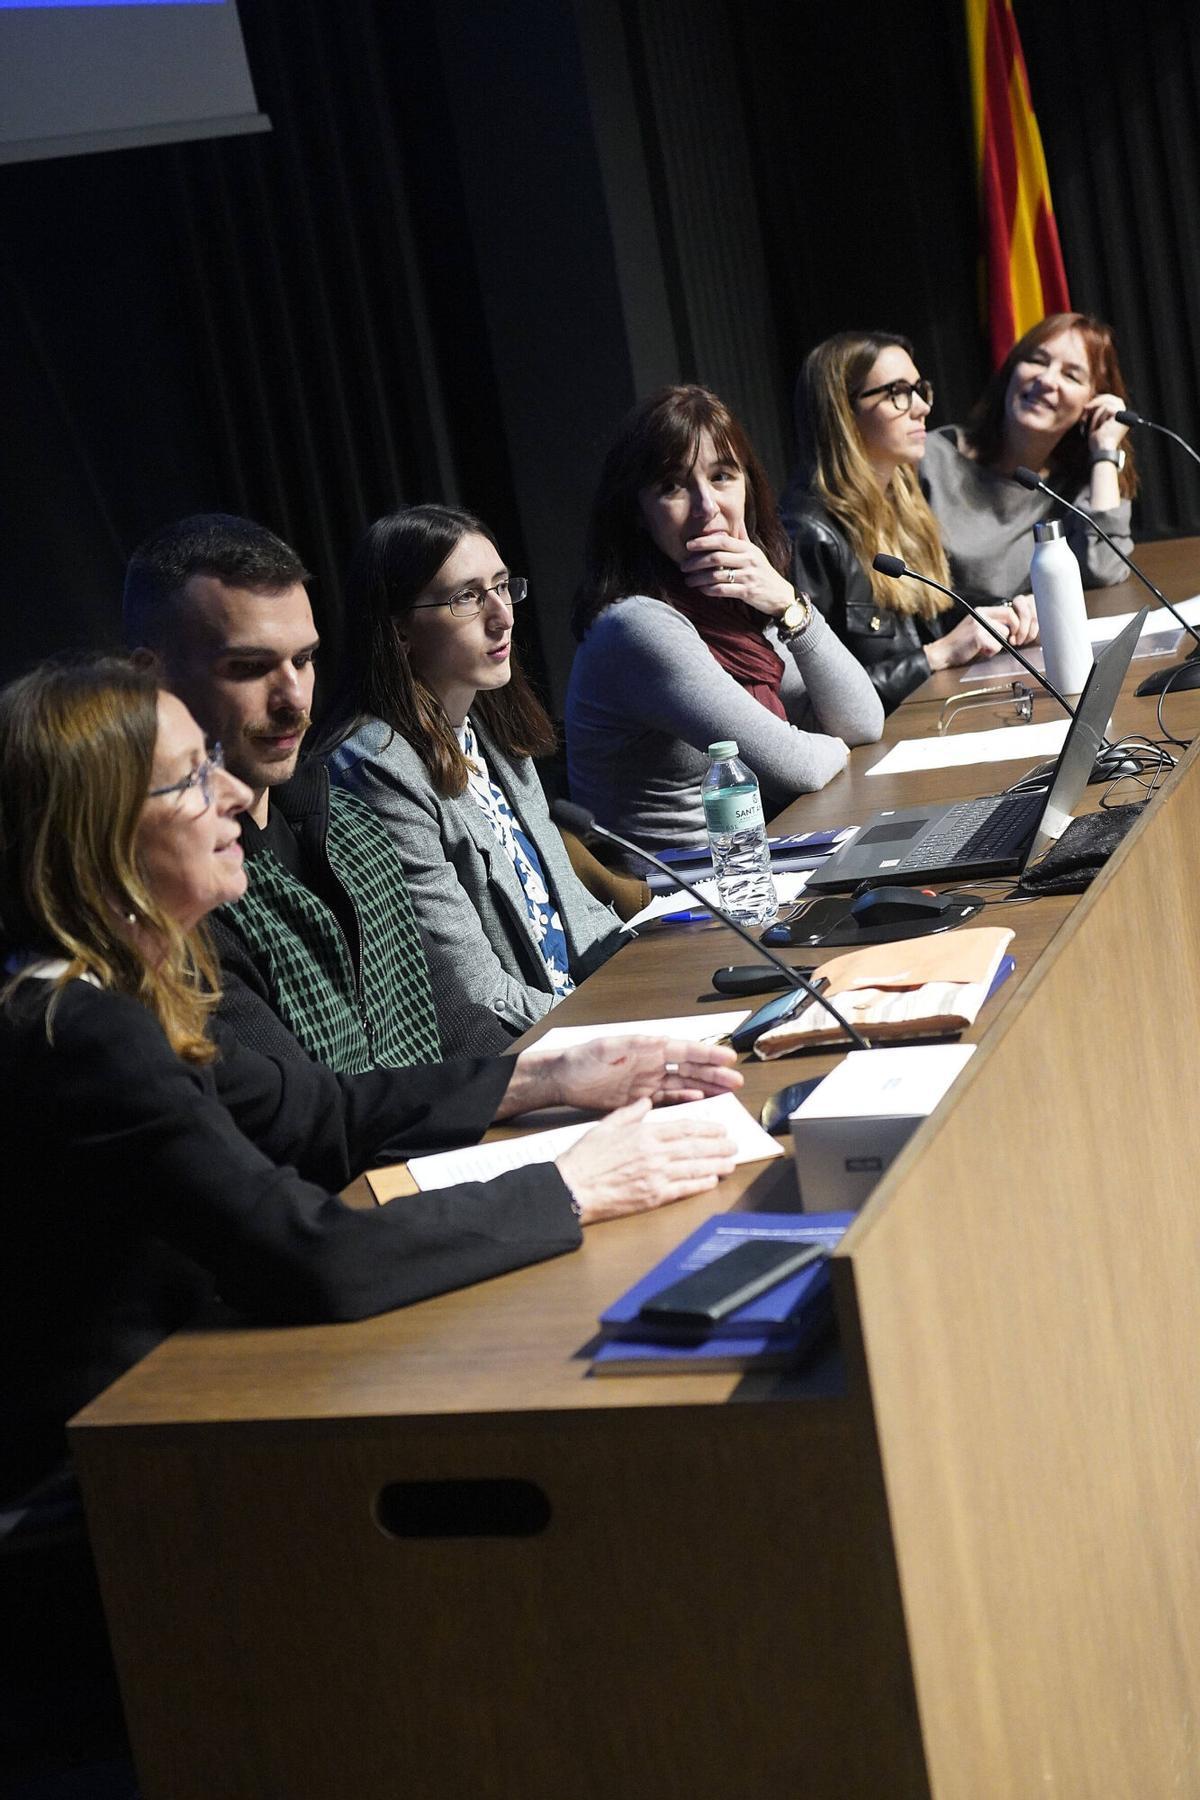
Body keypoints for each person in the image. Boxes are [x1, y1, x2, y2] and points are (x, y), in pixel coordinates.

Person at [0, 657, 741, 1509]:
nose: (236, 796)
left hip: (178, 1423)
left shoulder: (117, 989)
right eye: (192, 781)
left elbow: (315, 1114)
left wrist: (541, 1076)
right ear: (98, 834)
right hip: (105, 1486)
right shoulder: (79, 1032)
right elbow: (309, 1255)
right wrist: (576, 1185)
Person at [123, 513, 456, 1069]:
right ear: (147, 678)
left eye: (304, 660)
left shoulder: (353, 820)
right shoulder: (179, 883)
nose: (294, 699)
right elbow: (308, 1115)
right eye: (250, 668)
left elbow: (455, 1015)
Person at [319, 505, 624, 1052]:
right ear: (400, 630)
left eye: (503, 587)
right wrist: (609, 1023)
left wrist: (647, 980)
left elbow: (574, 912)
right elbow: (473, 988)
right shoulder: (378, 767)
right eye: (467, 597)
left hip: (582, 1016)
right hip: (521, 1052)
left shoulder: (488, 722)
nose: (502, 615)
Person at [566, 385, 884, 854]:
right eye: (672, 486)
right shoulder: (636, 627)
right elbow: (797, 767)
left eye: (721, 477)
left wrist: (787, 603)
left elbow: (863, 722)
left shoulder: (738, 599)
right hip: (683, 900)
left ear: (748, 488)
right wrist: (828, 744)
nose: (707, 507)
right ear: (636, 513)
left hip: (763, 860)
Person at [781, 331, 1039, 713]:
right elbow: (813, 701)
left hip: (927, 715)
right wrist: (938, 655)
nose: (921, 407)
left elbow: (932, 620)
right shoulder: (808, 532)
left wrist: (1001, 617)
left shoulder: (902, 498)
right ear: (842, 410)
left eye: (920, 389)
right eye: (898, 393)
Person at [920, 310, 1137, 604]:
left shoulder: (1073, 486)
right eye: (1037, 361)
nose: (1047, 380)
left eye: (1071, 375)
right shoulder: (930, 457)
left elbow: (1104, 568)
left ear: (1092, 403)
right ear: (1012, 371)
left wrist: (1105, 450)